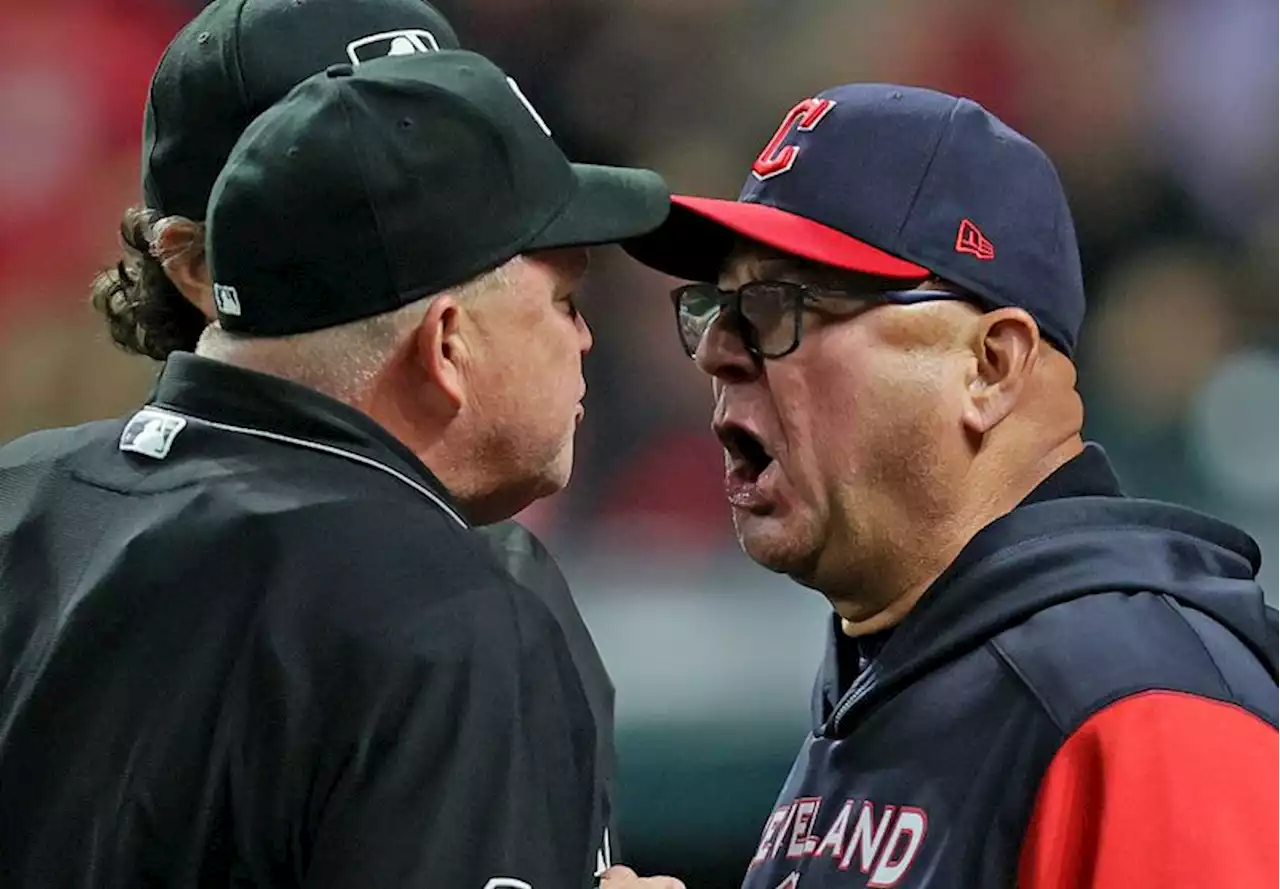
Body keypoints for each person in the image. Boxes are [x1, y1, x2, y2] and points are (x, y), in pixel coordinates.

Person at [0, 48, 682, 889]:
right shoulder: (440, 612)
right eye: (564, 302)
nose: (584, 339)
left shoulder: (18, 493)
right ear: (447, 343)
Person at [624, 83, 1280, 888]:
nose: (716, 350)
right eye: (717, 307)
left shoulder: (1141, 705)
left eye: (776, 304)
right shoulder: (899, 669)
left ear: (990, 365)